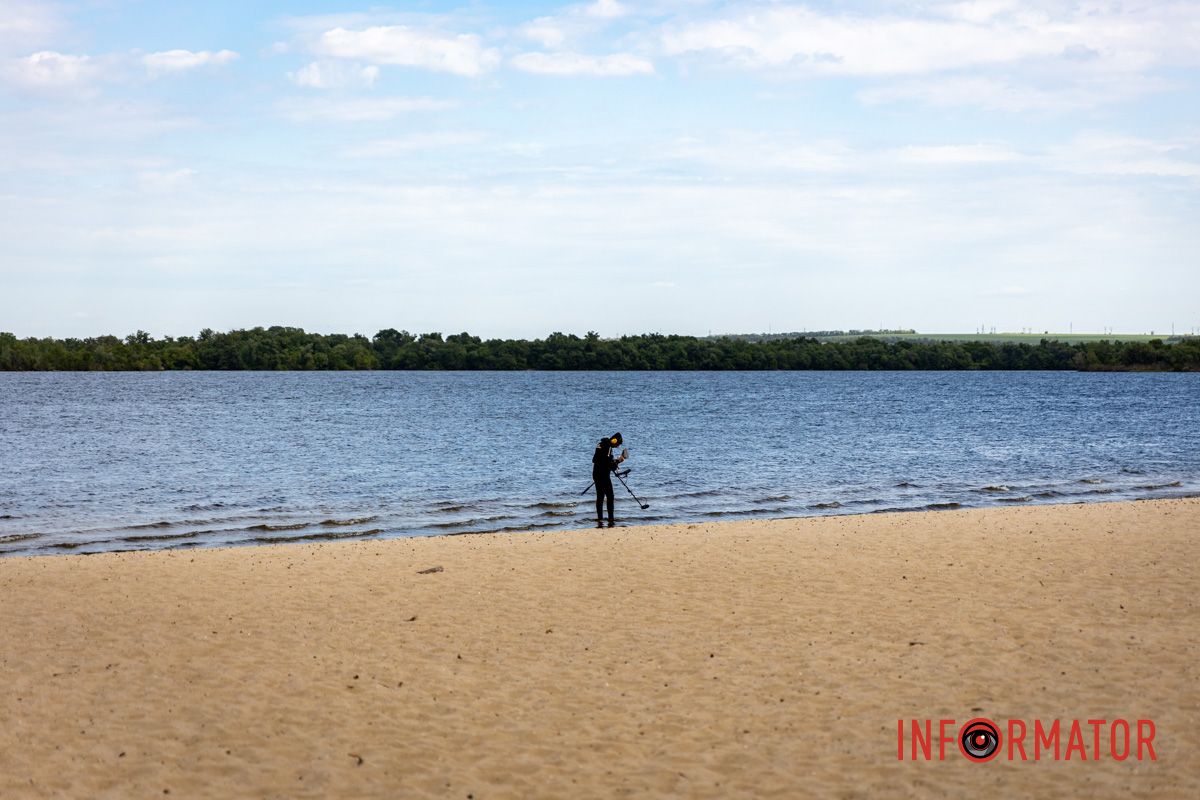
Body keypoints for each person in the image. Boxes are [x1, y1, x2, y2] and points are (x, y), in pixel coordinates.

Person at [592, 432, 628, 528]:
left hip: (596, 474)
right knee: (610, 496)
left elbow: (598, 460)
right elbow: (608, 464)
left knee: (600, 497)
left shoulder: (601, 444)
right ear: (614, 440)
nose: (618, 445)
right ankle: (611, 519)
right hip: (603, 475)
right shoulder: (608, 447)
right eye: (618, 443)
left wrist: (613, 463)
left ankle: (600, 520)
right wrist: (619, 460)